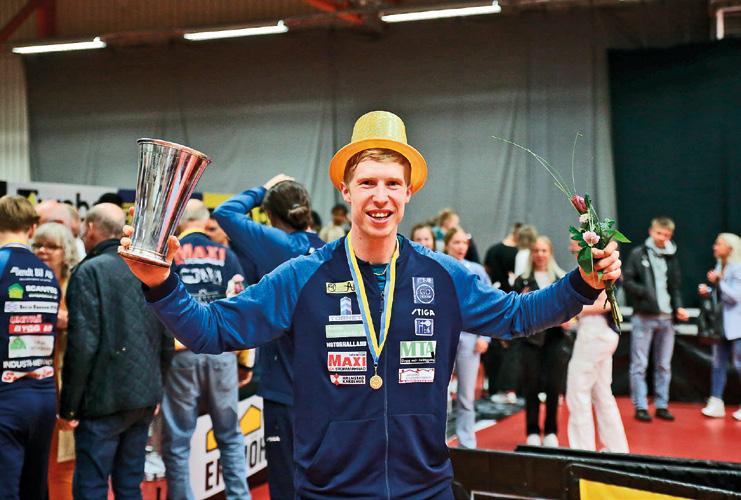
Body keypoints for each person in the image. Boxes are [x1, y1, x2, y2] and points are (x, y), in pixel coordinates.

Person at [120, 110, 622, 498]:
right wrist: (161, 283)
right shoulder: (303, 275)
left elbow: (516, 316)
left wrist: (581, 283)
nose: (380, 196)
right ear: (346, 190)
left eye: (392, 184)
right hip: (329, 490)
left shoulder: (443, 276)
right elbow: (211, 330)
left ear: (409, 193)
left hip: (424, 488)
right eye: (367, 183)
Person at [213, 175, 324, 499]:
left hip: (286, 388)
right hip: (325, 388)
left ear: (271, 216)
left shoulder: (281, 246)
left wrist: (263, 188)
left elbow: (225, 213)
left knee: (286, 483)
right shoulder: (326, 249)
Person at [59, 203, 173, 499]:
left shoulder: (89, 271)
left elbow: (82, 343)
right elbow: (167, 334)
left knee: (92, 486)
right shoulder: (148, 268)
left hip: (102, 400)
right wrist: (157, 390)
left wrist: (69, 407)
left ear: (91, 229)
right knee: (129, 485)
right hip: (143, 397)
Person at [162, 199, 250, 500]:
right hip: (221, 351)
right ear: (205, 220)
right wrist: (245, 361)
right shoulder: (227, 254)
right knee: (230, 436)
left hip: (181, 353)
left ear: (178, 221)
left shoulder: (170, 253)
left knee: (177, 440)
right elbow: (243, 305)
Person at [0, 196, 60, 500]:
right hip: (44, 395)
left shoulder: (2, 264)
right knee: (35, 487)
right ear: (32, 228)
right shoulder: (47, 273)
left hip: (6, 394)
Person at [565, 238, 629, 453]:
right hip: (602, 333)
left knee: (577, 392)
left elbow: (605, 304)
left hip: (595, 333)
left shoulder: (598, 268)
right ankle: (617, 450)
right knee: (602, 393)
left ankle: (582, 450)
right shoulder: (602, 268)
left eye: (575, 242)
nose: (571, 246)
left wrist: (571, 310)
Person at [623, 216, 689, 422]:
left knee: (664, 365)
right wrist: (645, 293)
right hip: (644, 316)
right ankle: (641, 406)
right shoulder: (638, 253)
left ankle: (662, 405)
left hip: (667, 318)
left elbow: (675, 286)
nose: (662, 238)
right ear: (651, 232)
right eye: (659, 233)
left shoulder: (672, 256)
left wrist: (678, 307)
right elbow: (627, 280)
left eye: (667, 235)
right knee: (639, 364)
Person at [32, 223, 80, 500]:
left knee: (64, 460)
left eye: (51, 246)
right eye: (38, 245)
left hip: (66, 379)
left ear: (66, 252)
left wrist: (68, 320)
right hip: (32, 380)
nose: (42, 251)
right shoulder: (28, 280)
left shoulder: (76, 283)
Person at [513, 236, 567, 447]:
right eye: (536, 250)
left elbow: (568, 308)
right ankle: (533, 431)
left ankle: (551, 431)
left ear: (550, 252)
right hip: (530, 340)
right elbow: (515, 309)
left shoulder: (560, 278)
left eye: (544, 250)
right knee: (531, 386)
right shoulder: (522, 280)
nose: (540, 254)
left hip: (555, 339)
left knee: (554, 386)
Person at [444, 227, 490, 448]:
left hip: (470, 338)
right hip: (443, 337)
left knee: (466, 396)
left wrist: (485, 337)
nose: (461, 247)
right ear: (447, 245)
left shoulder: (477, 270)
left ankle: (467, 443)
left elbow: (488, 304)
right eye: (456, 242)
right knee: (439, 394)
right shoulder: (437, 264)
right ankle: (437, 441)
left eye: (464, 243)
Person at [698, 233, 741, 420]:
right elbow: (720, 295)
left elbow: (735, 297)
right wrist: (708, 291)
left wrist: (718, 282)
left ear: (730, 248)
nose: (715, 247)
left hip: (737, 326)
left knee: (739, 364)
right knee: (717, 363)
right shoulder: (720, 265)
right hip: (720, 325)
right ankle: (716, 402)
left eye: (719, 244)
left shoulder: (738, 268)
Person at [483, 222, 522, 404]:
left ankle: (494, 387)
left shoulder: (493, 250)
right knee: (510, 346)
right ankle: (508, 389)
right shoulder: (519, 254)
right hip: (512, 302)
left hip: (494, 301)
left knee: (496, 345)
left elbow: (487, 271)